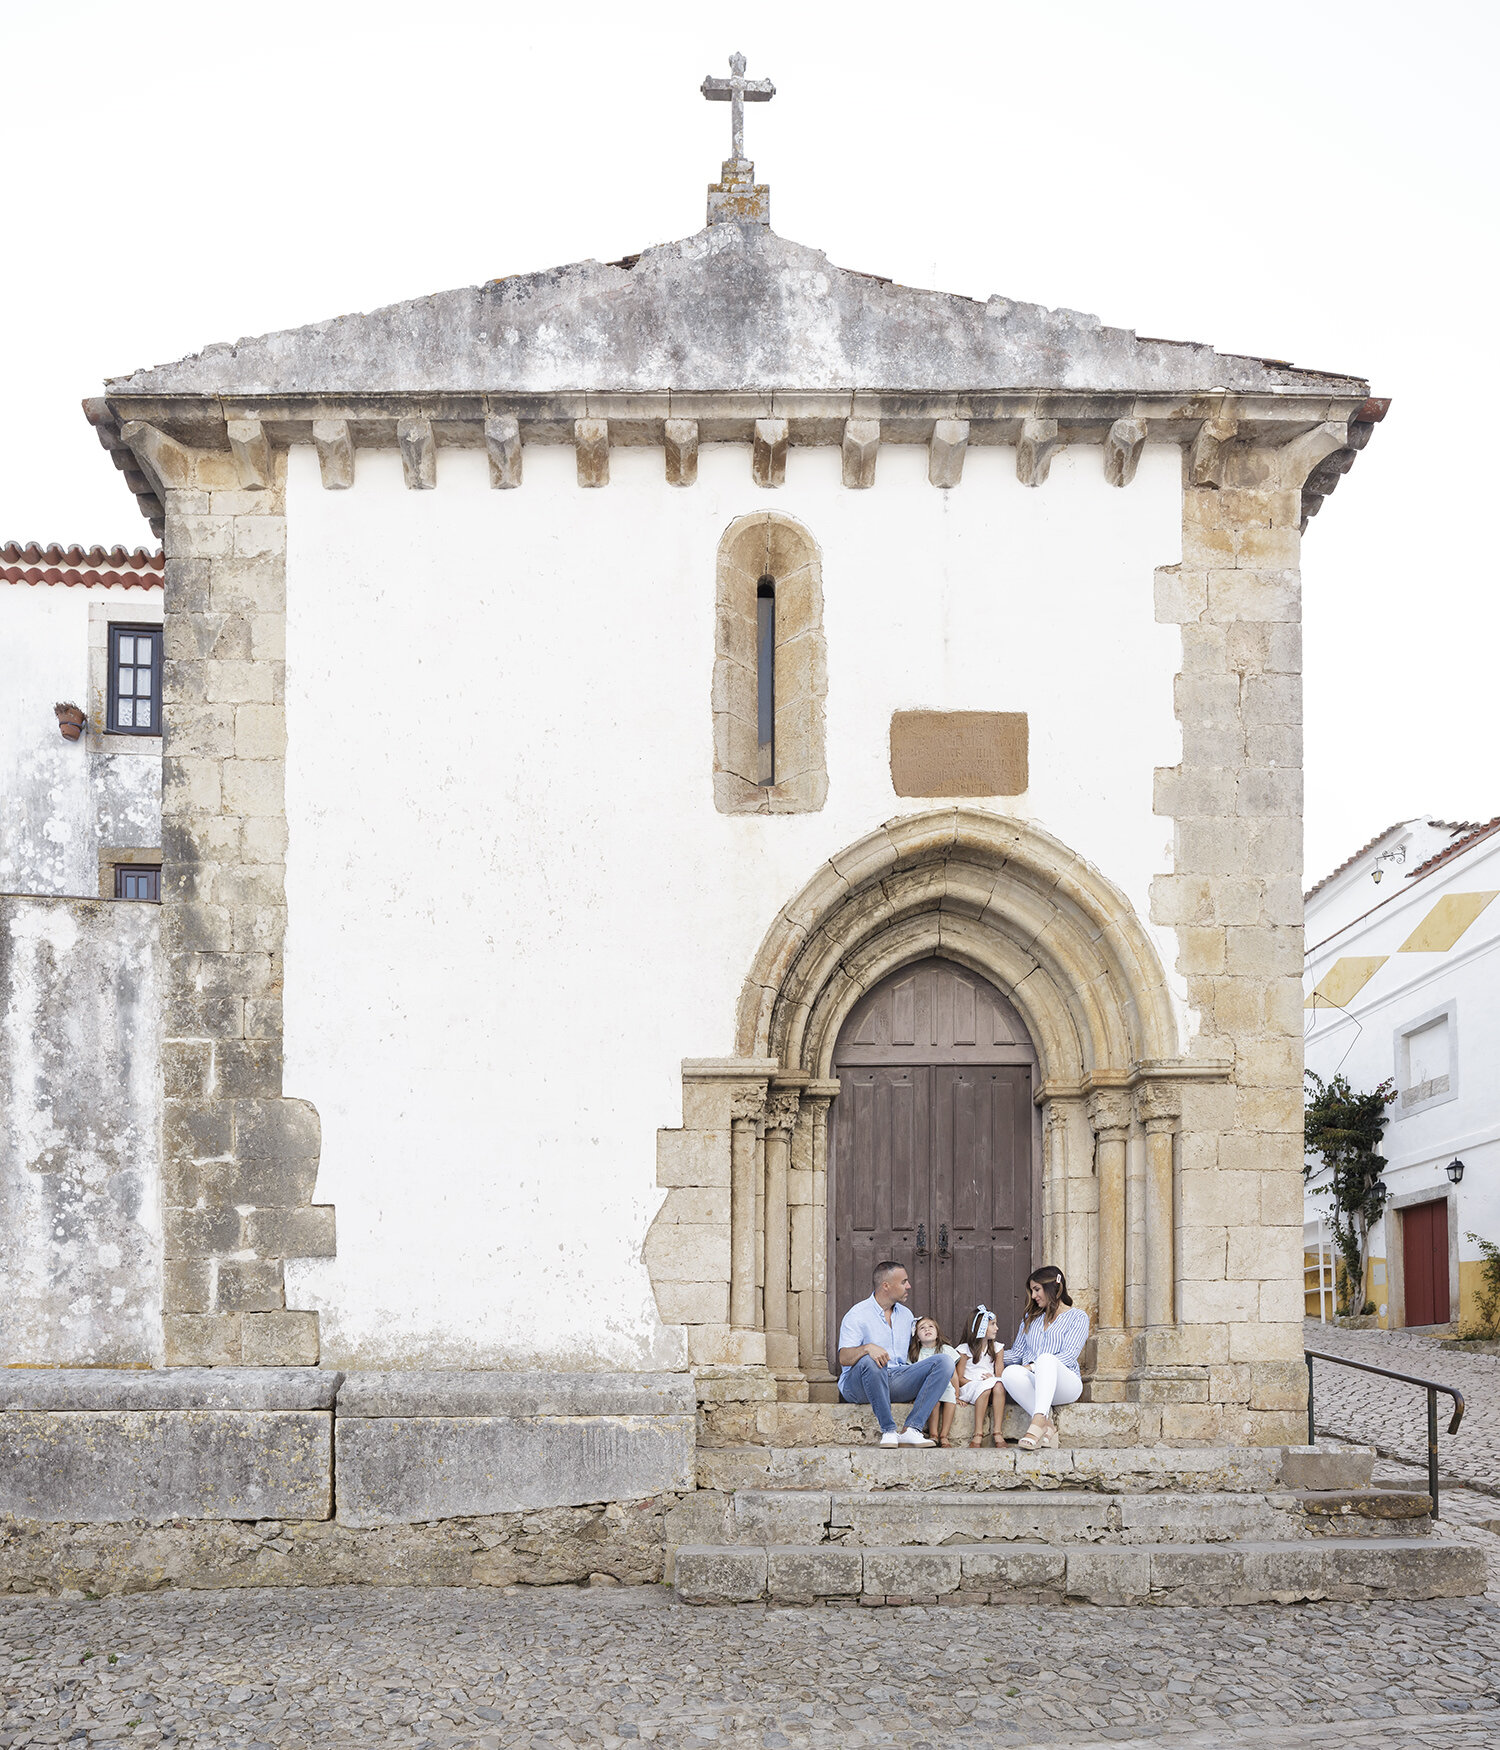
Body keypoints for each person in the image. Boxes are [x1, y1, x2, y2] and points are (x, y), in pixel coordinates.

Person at [837, 1262, 956, 1447]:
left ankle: (912, 1429)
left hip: (896, 1380)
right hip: (859, 1387)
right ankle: (888, 1430)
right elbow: (843, 1358)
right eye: (904, 1282)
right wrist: (867, 1348)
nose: (908, 1286)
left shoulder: (907, 1315)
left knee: (944, 1362)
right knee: (871, 1361)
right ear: (886, 1286)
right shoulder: (857, 1315)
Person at [1000, 1265, 1090, 1450]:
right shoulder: (1030, 1318)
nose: (1033, 1296)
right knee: (1009, 1373)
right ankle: (1047, 1427)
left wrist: (1033, 1366)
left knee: (1046, 1359)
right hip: (1037, 1385)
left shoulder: (1077, 1317)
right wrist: (987, 1354)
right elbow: (1016, 1354)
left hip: (1065, 1385)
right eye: (1032, 1291)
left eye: (1037, 1290)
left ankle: (1038, 1421)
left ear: (1052, 1288)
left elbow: (1069, 1355)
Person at [957, 1305, 1005, 1447]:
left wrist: (992, 1378)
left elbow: (1000, 1375)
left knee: (999, 1385)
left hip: (990, 1384)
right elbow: (959, 1378)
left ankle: (997, 1431)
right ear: (981, 1327)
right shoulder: (964, 1350)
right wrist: (977, 1382)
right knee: (984, 1388)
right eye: (992, 1324)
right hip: (970, 1386)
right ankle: (978, 1433)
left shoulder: (997, 1348)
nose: (997, 1328)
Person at [908, 1315, 960, 1446]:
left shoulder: (946, 1350)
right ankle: (933, 1434)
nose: (927, 1329)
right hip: (924, 1388)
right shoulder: (914, 1353)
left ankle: (944, 1435)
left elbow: (953, 1374)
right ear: (917, 1338)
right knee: (933, 1399)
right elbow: (911, 1375)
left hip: (947, 1386)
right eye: (922, 1328)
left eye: (930, 1326)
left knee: (950, 1398)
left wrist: (957, 1393)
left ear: (937, 1333)